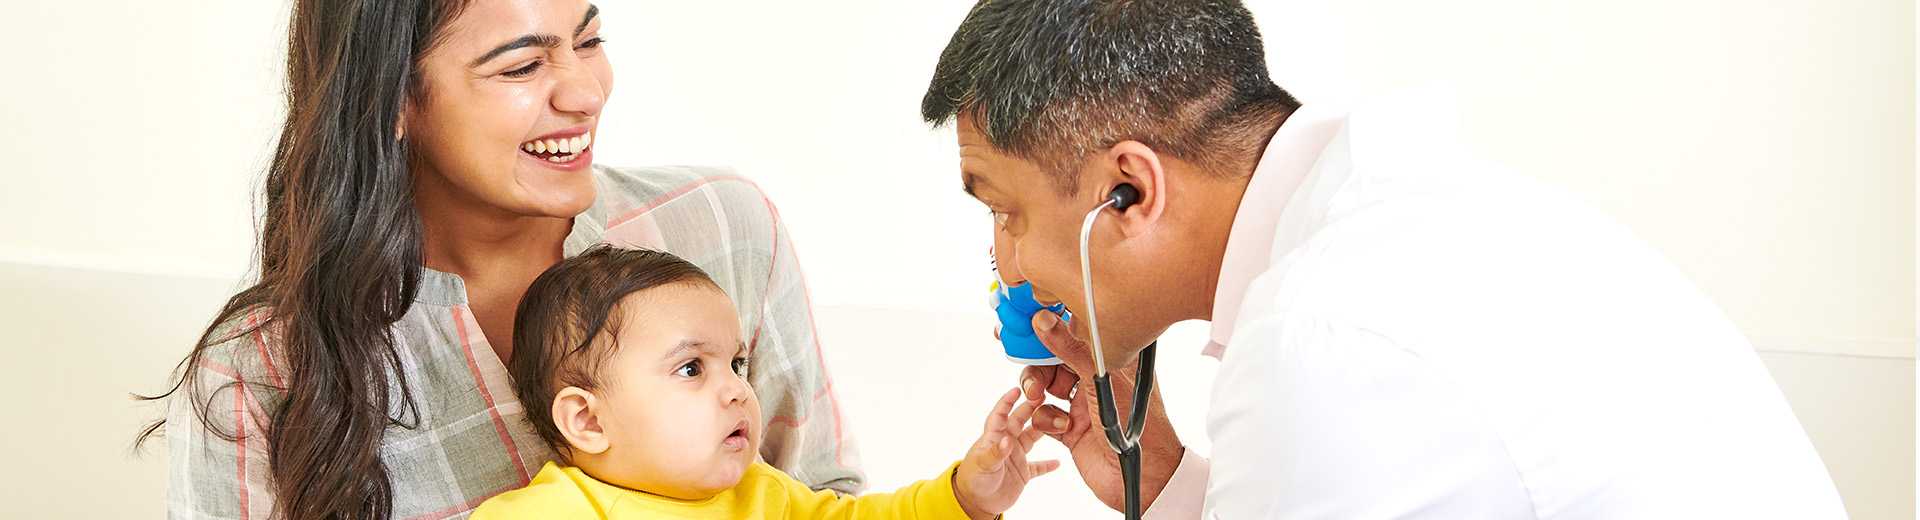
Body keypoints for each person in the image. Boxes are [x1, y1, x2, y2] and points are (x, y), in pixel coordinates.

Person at [920, 0, 1849, 517]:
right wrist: (1157, 474)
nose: (1007, 264)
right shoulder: (1412, 227)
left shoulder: (1322, 339)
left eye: (1004, 211)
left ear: (1129, 190)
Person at [142, 1, 859, 518]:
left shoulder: (719, 226)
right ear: (392, 99)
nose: (586, 92)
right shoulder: (260, 372)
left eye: (589, 39)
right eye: (522, 66)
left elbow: (826, 500)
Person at [472, 246, 1056, 519]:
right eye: (691, 368)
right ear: (587, 420)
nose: (737, 390)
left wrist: (965, 498)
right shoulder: (549, 513)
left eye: (736, 364)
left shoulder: (765, 493)